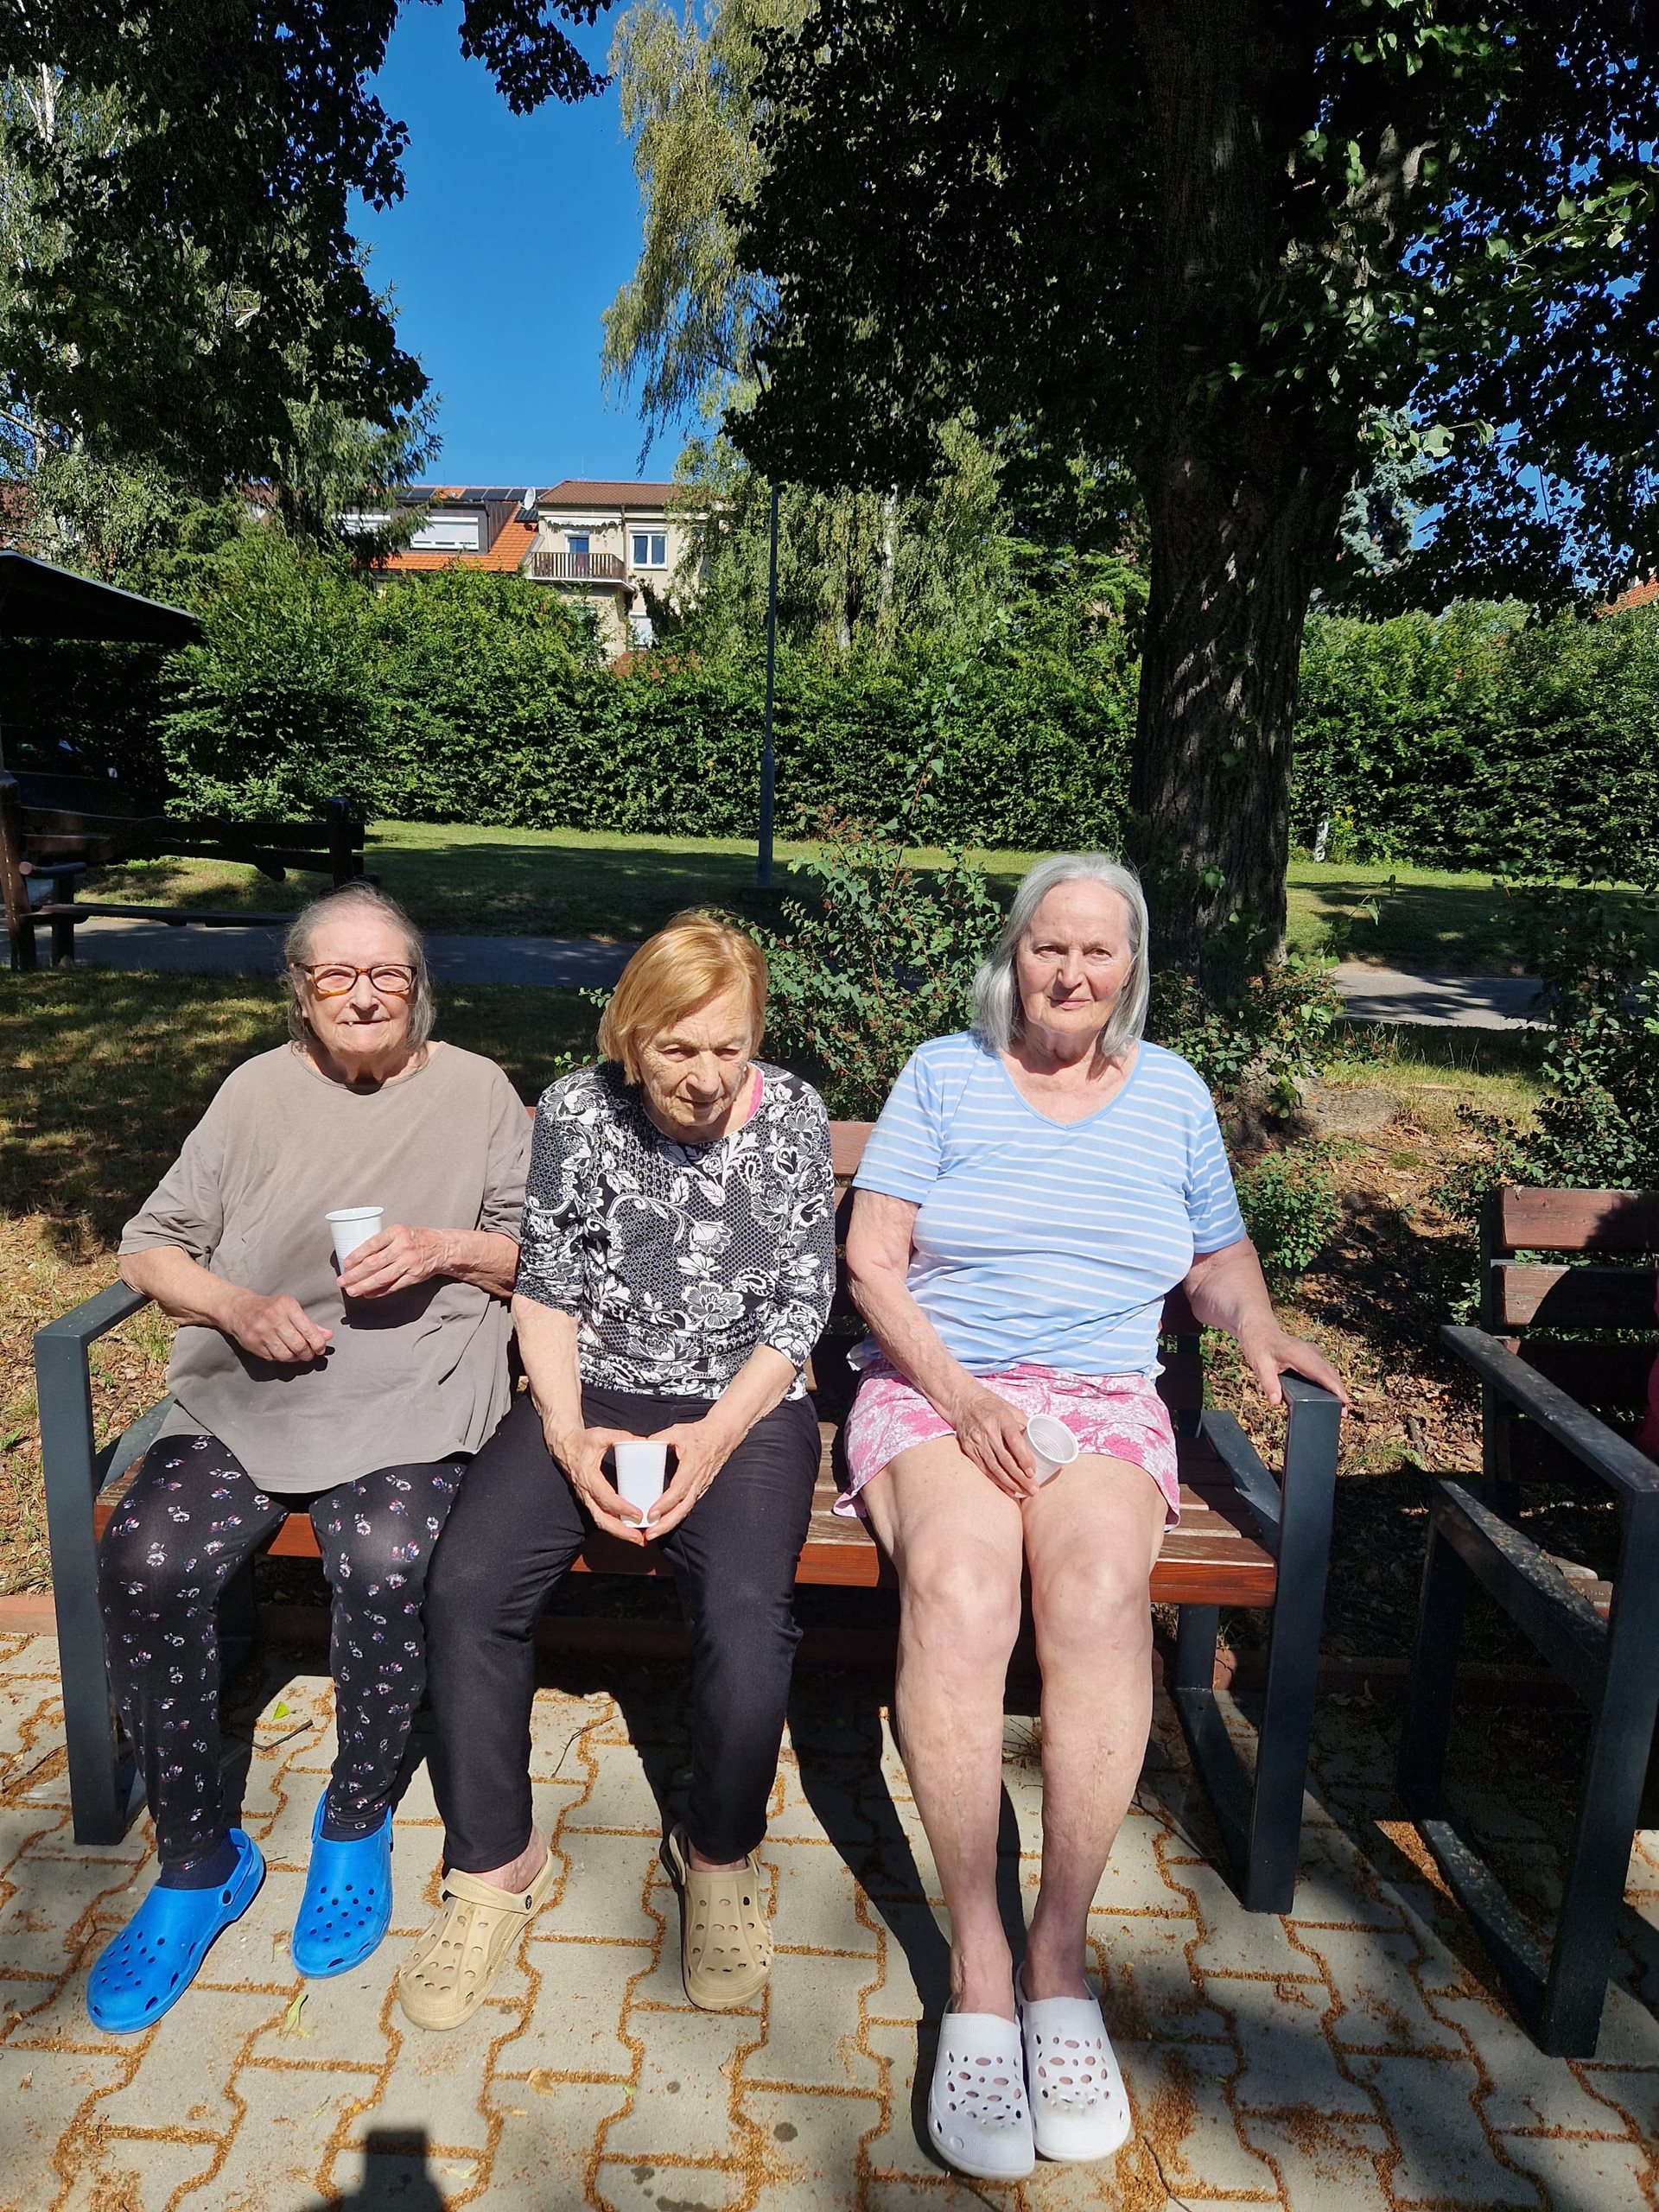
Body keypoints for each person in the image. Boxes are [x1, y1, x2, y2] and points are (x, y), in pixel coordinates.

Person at [841, 854, 1346, 2182]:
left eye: (1097, 952)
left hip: (1107, 1396)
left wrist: (1259, 1328)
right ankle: (981, 1965)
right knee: (961, 1591)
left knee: (1099, 1597)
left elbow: (1215, 1256)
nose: (1070, 973)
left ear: (1131, 968)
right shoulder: (943, 1075)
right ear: (1014, 954)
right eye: (1048, 947)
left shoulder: (1171, 1092)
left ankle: (1058, 1954)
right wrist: (962, 1398)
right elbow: (874, 1262)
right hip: (938, 1383)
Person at [88, 885, 531, 2032]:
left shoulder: (478, 1090)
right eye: (338, 974)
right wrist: (236, 1307)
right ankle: (197, 1861)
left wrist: (440, 1249)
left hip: (415, 1392)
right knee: (145, 1560)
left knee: (384, 1563)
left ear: (418, 985)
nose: (364, 995)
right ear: (300, 989)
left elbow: (535, 1252)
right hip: (252, 1391)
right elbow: (149, 1248)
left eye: (387, 974)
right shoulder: (254, 1091)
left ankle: (354, 1817)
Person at [398, 913, 836, 2031]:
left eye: (728, 1047)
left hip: (744, 1403)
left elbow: (800, 1307)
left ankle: (719, 1849)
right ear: (631, 1037)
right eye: (677, 1050)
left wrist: (717, 1437)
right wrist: (565, 1433)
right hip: (592, 1390)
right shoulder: (580, 1111)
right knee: (469, 1587)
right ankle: (494, 1859)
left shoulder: (791, 1115)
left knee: (748, 1616)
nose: (706, 1078)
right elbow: (546, 1287)